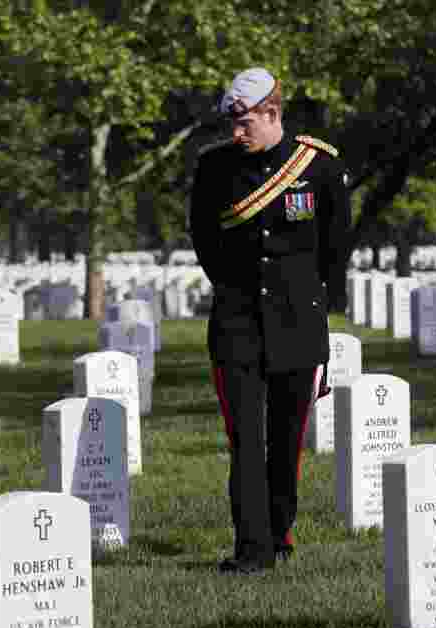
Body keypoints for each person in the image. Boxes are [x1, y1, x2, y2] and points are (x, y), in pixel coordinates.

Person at [189, 67, 350, 574]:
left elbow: (334, 249)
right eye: (233, 123)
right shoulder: (215, 168)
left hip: (297, 321)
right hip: (237, 324)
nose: (237, 133)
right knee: (245, 440)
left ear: (272, 113)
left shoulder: (318, 167)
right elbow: (204, 239)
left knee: (286, 437)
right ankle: (251, 549)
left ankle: (280, 532)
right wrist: (235, 290)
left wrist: (318, 316)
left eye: (245, 123)